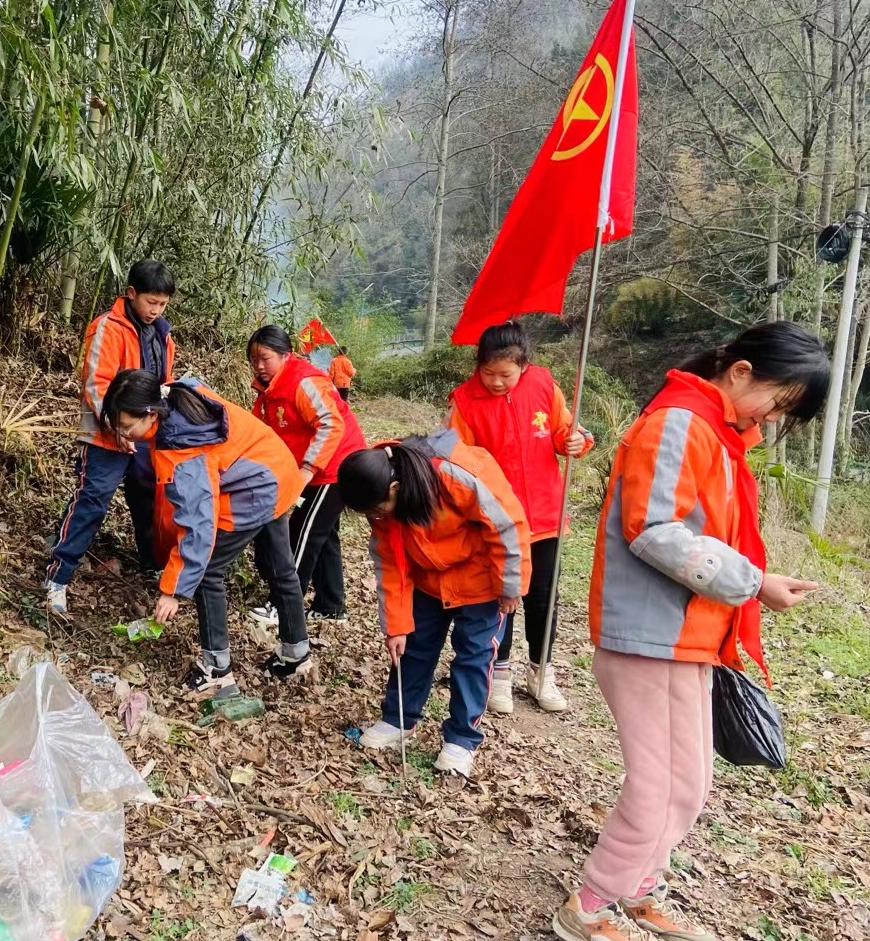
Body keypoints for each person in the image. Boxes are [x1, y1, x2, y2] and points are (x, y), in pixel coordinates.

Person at [553, 321, 828, 941]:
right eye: (779, 401)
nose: (775, 416)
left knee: (691, 780)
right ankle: (590, 904)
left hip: (688, 635)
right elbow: (654, 530)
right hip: (648, 635)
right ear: (739, 373)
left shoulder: (714, 431)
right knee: (656, 786)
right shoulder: (679, 422)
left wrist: (755, 580)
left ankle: (638, 883)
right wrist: (755, 583)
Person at [99, 370, 313, 696]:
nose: (124, 434)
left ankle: (217, 670)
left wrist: (173, 589)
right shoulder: (177, 393)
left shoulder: (181, 448)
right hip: (275, 467)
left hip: (255, 488)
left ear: (150, 412)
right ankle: (297, 654)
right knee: (282, 568)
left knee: (208, 570)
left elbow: (198, 525)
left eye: (127, 427)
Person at [339, 430, 531, 777]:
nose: (375, 518)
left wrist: (510, 585)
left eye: (377, 510)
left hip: (481, 579)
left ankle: (461, 739)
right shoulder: (379, 504)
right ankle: (399, 719)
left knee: (474, 655)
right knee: (412, 647)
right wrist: (395, 627)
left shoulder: (455, 472)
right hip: (427, 581)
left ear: (394, 490)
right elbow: (391, 565)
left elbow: (506, 524)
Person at [445, 321, 593, 715]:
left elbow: (564, 431)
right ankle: (501, 673)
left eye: (506, 375)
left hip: (545, 514)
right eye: (488, 373)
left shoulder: (544, 384)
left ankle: (542, 673)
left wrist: (575, 440)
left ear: (524, 367)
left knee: (544, 599)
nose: (496, 382)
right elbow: (454, 461)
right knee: (501, 597)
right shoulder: (463, 400)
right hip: (496, 521)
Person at [45, 260, 177, 615]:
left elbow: (163, 386)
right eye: (151, 301)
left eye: (162, 304)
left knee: (148, 498)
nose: (155, 310)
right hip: (105, 435)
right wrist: (116, 428)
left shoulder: (163, 334)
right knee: (92, 500)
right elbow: (95, 383)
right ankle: (58, 576)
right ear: (131, 293)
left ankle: (151, 563)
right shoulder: (109, 327)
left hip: (145, 435)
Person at [247, 326, 367, 622]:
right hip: (315, 468)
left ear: (285, 355)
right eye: (254, 359)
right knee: (324, 536)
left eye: (265, 358)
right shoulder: (269, 390)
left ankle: (283, 604)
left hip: (336, 464)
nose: (259, 366)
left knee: (303, 532)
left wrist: (306, 469)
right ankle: (331, 605)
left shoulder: (303, 381)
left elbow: (331, 424)